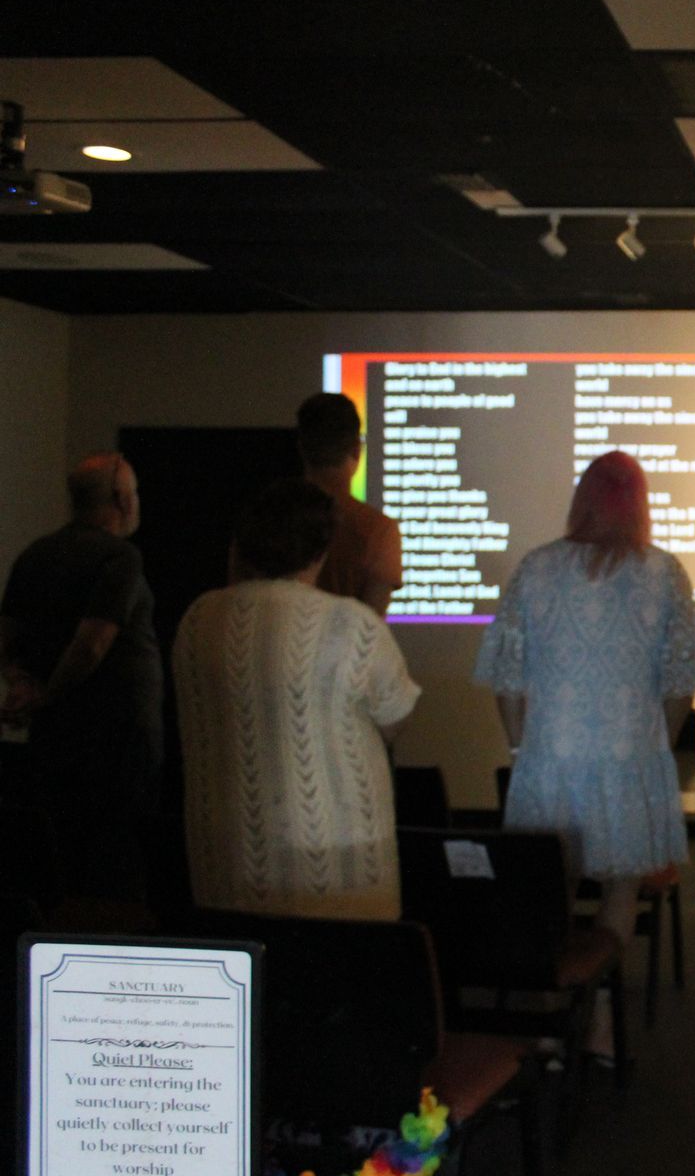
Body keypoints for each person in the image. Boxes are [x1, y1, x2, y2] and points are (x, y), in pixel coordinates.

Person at [474, 450, 695, 1046]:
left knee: (550, 892)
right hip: (627, 755)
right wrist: (654, 734)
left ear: (580, 500)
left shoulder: (537, 567)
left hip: (550, 755)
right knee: (620, 890)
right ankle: (602, 1020)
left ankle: (551, 1018)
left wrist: (518, 745)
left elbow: (507, 675)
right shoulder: (663, 572)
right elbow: (682, 679)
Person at [174, 478, 421, 919]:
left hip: (226, 863)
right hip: (338, 866)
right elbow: (396, 719)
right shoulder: (352, 625)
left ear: (242, 545)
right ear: (321, 550)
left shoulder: (198, 618)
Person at [0, 452, 164, 903]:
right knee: (117, 872)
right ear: (120, 499)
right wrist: (47, 696)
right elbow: (92, 643)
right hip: (117, 741)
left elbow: (7, 640)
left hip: (54, 741)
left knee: (65, 865)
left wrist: (22, 687)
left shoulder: (35, 554)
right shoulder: (121, 557)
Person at [297, 392, 403, 616]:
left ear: (301, 447)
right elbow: (370, 628)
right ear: (357, 449)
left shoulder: (264, 519)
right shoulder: (378, 531)